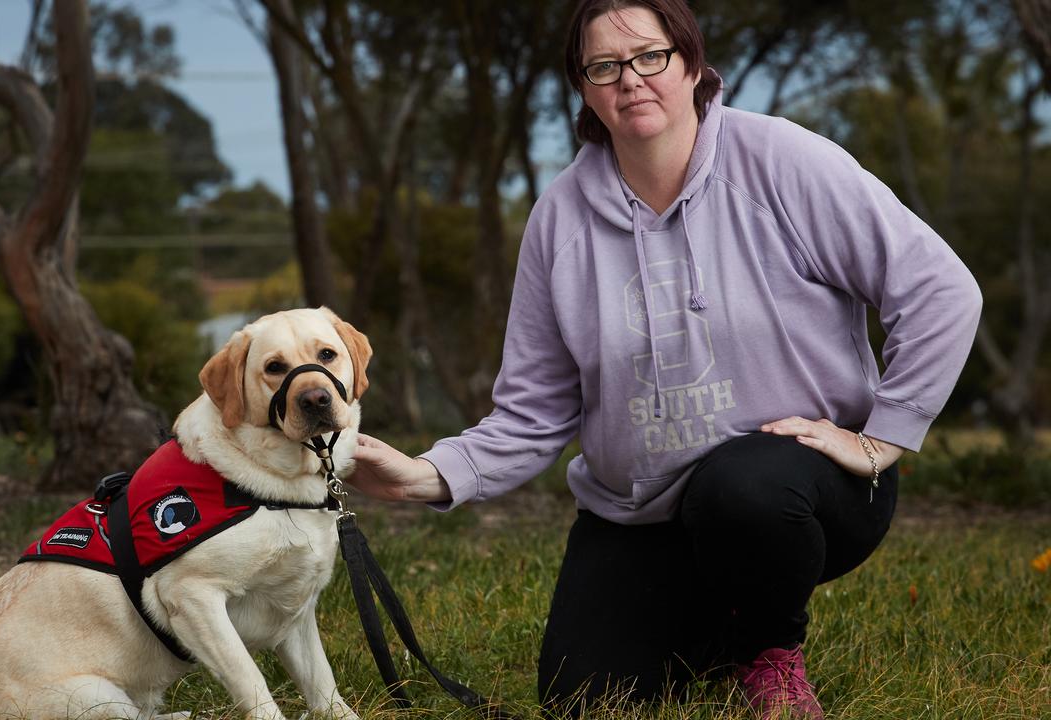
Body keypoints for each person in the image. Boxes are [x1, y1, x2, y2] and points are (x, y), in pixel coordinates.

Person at [348, 0, 983, 717]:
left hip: (802, 490)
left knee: (742, 490)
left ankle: (770, 649)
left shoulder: (781, 160)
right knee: (582, 697)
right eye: (605, 66)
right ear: (584, 88)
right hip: (643, 513)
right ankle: (718, 627)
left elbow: (940, 289)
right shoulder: (559, 219)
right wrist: (423, 477)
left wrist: (882, 438)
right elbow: (534, 412)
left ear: (692, 64)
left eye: (651, 56)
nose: (632, 80)